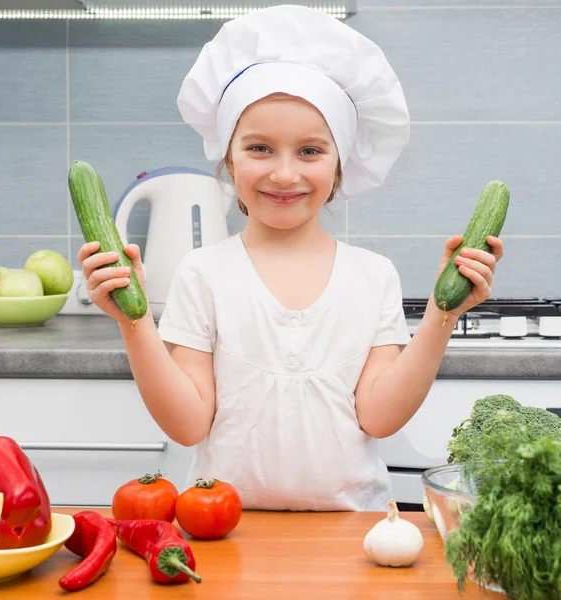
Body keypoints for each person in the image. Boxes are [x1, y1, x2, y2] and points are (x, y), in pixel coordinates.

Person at [78, 5, 504, 511]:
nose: (284, 174)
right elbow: (188, 425)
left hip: (355, 533)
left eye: (309, 151)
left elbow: (379, 417)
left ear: (340, 165)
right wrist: (134, 320)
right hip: (226, 528)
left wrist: (443, 314)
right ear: (228, 160)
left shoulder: (372, 276)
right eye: (260, 148)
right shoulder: (204, 273)